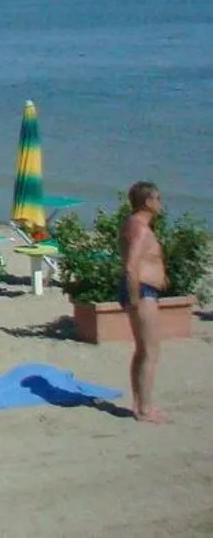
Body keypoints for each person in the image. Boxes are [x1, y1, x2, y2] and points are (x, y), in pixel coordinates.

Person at [122, 181, 169, 423]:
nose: (161, 204)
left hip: (143, 290)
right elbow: (131, 266)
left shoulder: (133, 224)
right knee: (150, 351)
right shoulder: (140, 228)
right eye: (158, 199)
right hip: (142, 291)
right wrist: (134, 298)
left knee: (142, 350)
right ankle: (145, 409)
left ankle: (140, 404)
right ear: (148, 202)